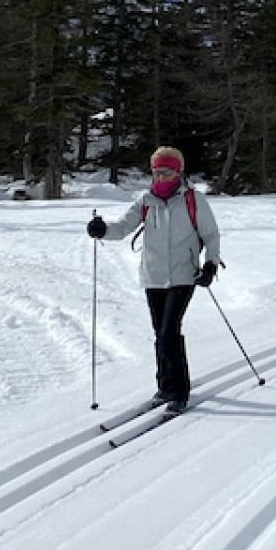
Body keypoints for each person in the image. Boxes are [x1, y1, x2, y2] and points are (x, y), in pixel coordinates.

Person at [86, 146, 222, 414]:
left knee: (170, 331)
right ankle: (164, 387)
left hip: (184, 275)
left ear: (178, 171)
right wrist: (102, 230)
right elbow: (123, 227)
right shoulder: (146, 201)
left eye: (167, 171)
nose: (161, 177)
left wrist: (210, 265)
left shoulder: (193, 199)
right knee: (160, 333)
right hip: (153, 276)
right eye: (157, 172)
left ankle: (179, 392)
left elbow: (211, 234)